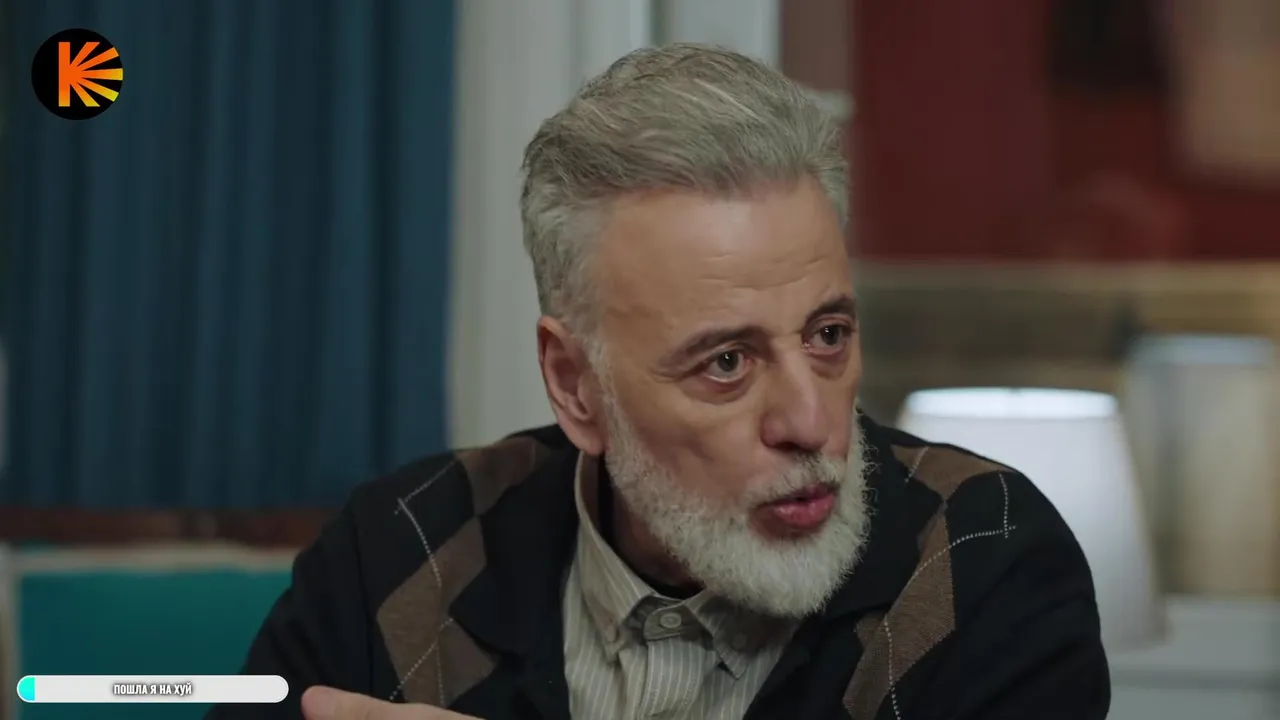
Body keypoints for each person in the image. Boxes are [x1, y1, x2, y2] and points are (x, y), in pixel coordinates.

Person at [209, 44, 1109, 720]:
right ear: (575, 385)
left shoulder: (983, 558)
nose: (810, 422)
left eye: (828, 336)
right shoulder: (401, 551)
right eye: (726, 362)